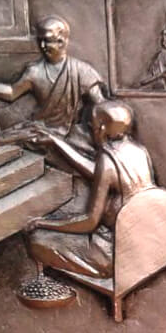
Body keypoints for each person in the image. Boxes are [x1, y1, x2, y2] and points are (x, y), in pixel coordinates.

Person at [23, 100, 155, 280]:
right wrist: (56, 141)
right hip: (144, 243)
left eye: (92, 126)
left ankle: (98, 274)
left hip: (114, 254)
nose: (91, 130)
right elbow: (99, 172)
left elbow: (89, 222)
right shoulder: (139, 151)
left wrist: (43, 223)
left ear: (101, 129)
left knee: (37, 240)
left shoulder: (107, 161)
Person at [0, 15, 106, 149]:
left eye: (47, 41)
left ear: (61, 41)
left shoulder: (82, 71)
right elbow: (12, 92)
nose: (42, 46)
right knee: (2, 139)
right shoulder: (35, 71)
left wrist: (96, 130)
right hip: (41, 129)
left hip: (71, 132)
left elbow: (100, 105)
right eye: (40, 40)